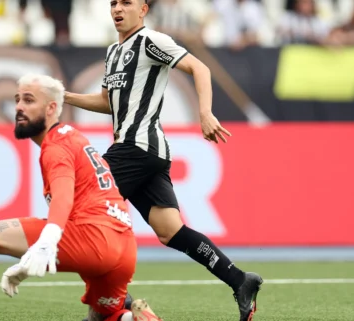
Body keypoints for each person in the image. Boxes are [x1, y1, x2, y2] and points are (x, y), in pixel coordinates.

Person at [64, 1, 263, 321]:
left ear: (143, 9)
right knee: (170, 230)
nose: (117, 8)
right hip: (150, 154)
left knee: (82, 210)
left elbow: (201, 68)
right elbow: (107, 102)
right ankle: (240, 280)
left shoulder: (151, 40)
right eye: (113, 3)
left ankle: (116, 302)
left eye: (126, 3)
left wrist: (205, 112)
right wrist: (66, 97)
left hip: (135, 148)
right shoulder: (113, 52)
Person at [0, 74, 162, 321]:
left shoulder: (56, 146)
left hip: (95, 238)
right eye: (17, 99)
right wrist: (27, 262)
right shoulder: (71, 137)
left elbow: (63, 198)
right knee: (107, 317)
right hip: (124, 245)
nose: (19, 107)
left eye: (29, 100)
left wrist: (46, 242)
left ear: (52, 107)